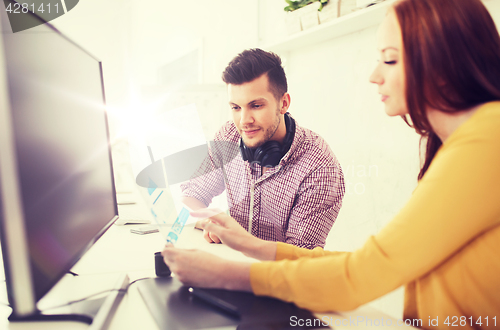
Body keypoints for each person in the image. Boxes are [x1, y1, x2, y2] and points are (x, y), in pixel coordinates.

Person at [163, 0, 500, 327]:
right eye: (235, 108)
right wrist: (248, 244)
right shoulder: (466, 142)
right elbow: (367, 263)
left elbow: (363, 275)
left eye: (391, 60)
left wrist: (224, 274)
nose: (373, 75)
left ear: (445, 65)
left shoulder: (488, 142)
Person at [181, 48, 345, 249]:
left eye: (256, 106)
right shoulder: (229, 136)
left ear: (283, 103)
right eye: (236, 107)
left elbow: (299, 258)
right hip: (229, 267)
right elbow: (189, 195)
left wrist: (239, 240)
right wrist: (210, 220)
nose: (244, 121)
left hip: (275, 277)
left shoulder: (320, 167)